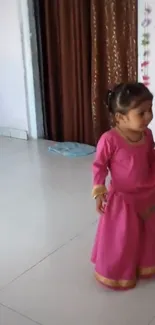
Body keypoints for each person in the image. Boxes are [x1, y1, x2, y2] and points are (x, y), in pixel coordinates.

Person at [91, 82, 155, 290]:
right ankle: (118, 272)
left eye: (150, 109)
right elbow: (99, 166)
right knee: (123, 237)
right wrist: (99, 191)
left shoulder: (147, 135)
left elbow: (149, 159)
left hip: (147, 193)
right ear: (120, 117)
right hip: (123, 198)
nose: (149, 116)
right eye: (141, 113)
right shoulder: (109, 140)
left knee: (147, 233)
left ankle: (144, 265)